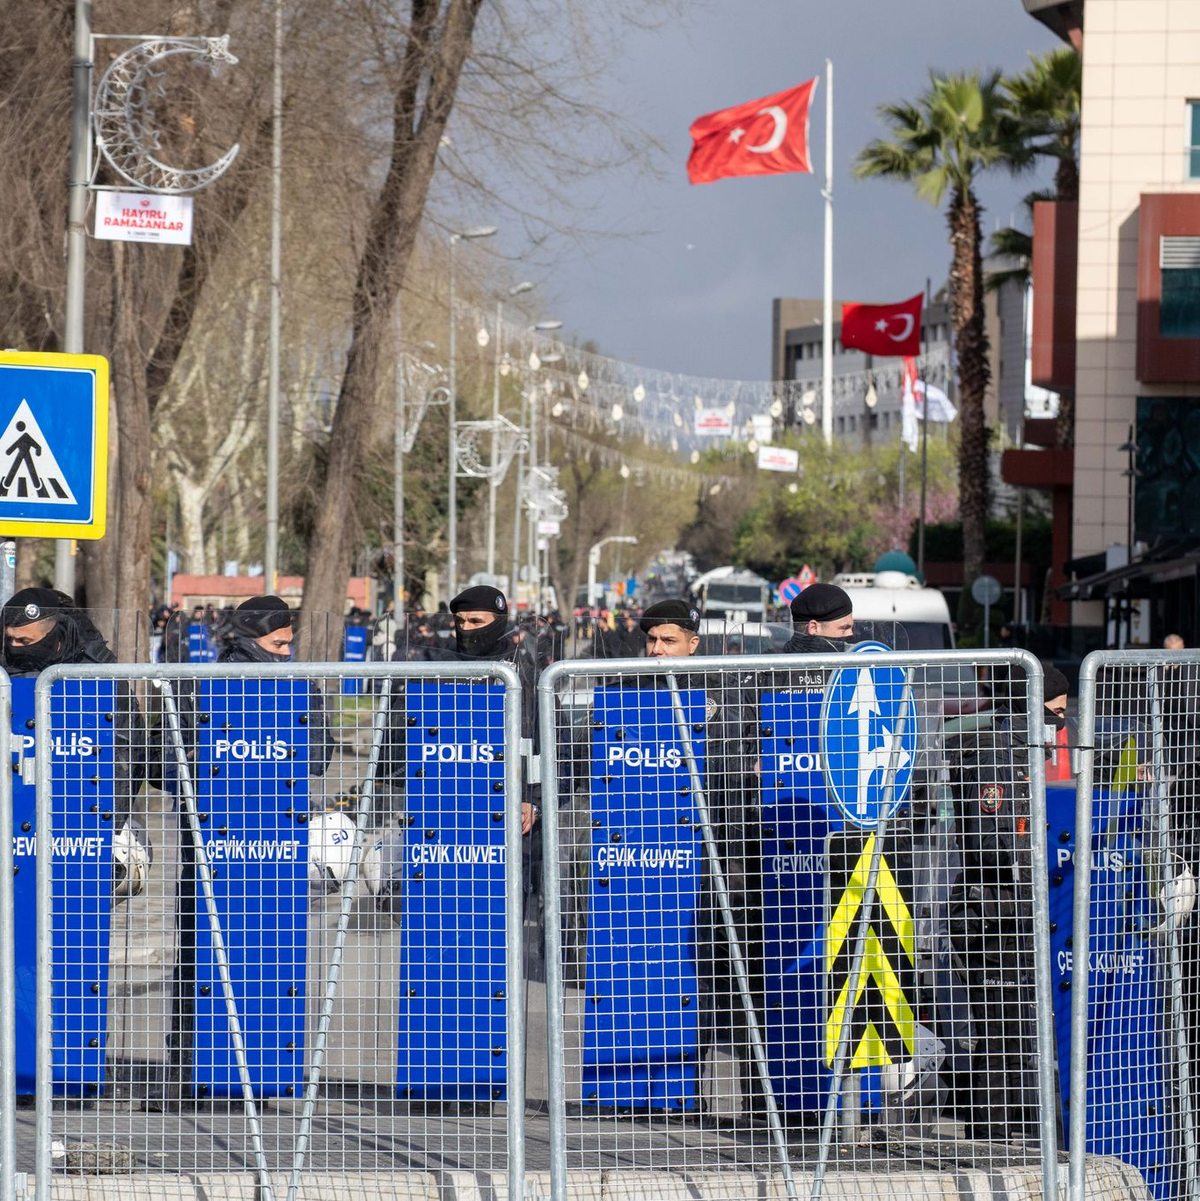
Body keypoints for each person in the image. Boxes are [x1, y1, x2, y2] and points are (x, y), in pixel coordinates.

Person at [0, 588, 149, 897]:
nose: (15, 648)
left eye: (25, 641)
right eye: (10, 640)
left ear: (53, 633)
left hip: (79, 814)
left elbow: (127, 750)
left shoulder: (96, 670)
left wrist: (111, 823)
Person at [780, 583, 855, 654]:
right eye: (844, 628)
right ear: (814, 628)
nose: (851, 634)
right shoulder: (778, 661)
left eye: (852, 628)